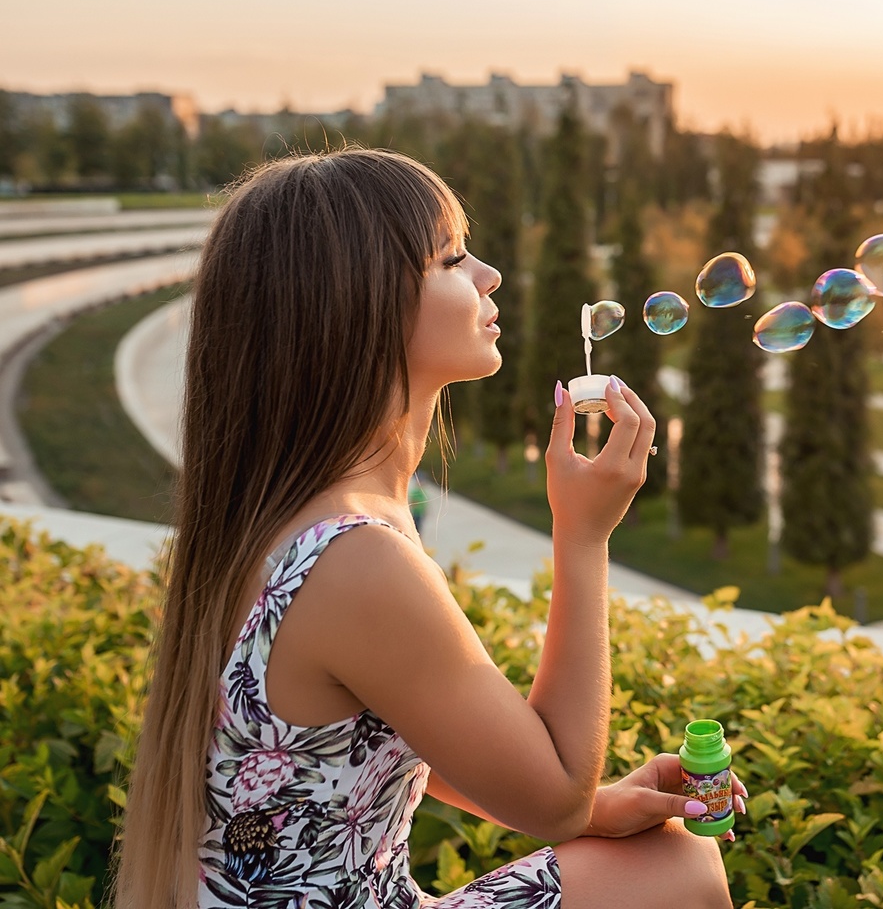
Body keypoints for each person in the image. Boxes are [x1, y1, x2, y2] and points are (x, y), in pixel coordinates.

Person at [113, 148, 741, 909]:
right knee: (679, 872)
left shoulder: (282, 514)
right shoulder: (356, 560)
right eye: (452, 258)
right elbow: (552, 804)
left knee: (667, 856)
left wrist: (602, 807)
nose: (489, 275)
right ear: (360, 307)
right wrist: (583, 536)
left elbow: (380, 728)